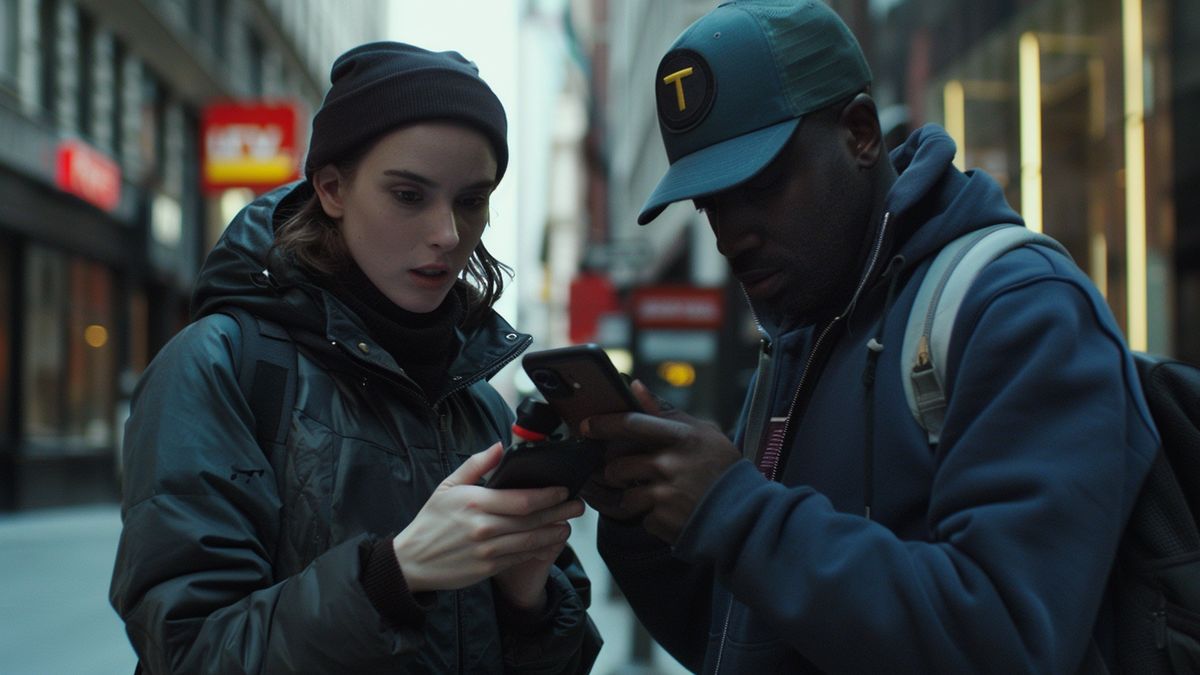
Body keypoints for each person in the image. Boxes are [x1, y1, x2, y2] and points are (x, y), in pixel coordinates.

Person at [579, 2, 1159, 673]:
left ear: (859, 133)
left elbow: (1007, 637)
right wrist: (643, 513)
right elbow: (746, 637)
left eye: (759, 186)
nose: (730, 233)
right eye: (710, 202)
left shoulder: (1016, 306)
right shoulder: (800, 332)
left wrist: (735, 512)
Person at [110, 42, 599, 673]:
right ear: (333, 189)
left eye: (471, 200)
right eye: (407, 195)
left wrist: (525, 593)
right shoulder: (220, 366)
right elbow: (186, 651)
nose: (448, 234)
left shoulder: (479, 401)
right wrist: (391, 577)